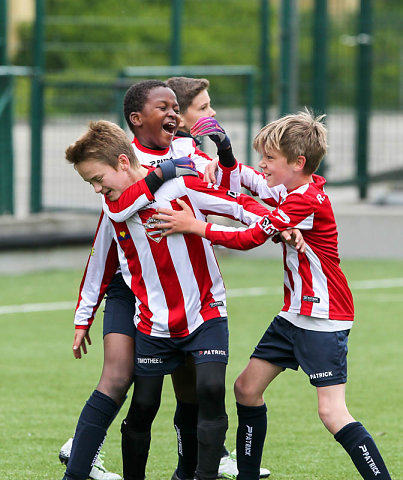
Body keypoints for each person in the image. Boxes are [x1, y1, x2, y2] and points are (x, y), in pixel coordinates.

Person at [153, 110, 392, 480]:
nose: (263, 165)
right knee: (246, 389)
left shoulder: (305, 200)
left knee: (332, 413)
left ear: (298, 163)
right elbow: (247, 183)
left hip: (323, 317)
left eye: (270, 158)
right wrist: (227, 153)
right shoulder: (290, 189)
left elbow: (250, 238)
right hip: (293, 314)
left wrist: (195, 225)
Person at [64, 119, 281, 480]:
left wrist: (279, 222)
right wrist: (83, 317)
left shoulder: (179, 184)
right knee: (145, 404)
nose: (97, 190)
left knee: (209, 390)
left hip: (205, 309)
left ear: (121, 161)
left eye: (98, 179)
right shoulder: (115, 207)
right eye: (91, 184)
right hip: (152, 319)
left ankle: (197, 475)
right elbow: (98, 262)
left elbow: (238, 204)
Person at [166, 75, 272, 479]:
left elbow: (233, 183)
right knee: (133, 385)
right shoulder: (171, 155)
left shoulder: (191, 151)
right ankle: (86, 441)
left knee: (193, 389)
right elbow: (226, 192)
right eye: (204, 108)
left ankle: (192, 465)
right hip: (147, 286)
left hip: (189, 283)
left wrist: (224, 152)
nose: (212, 114)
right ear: (179, 115)